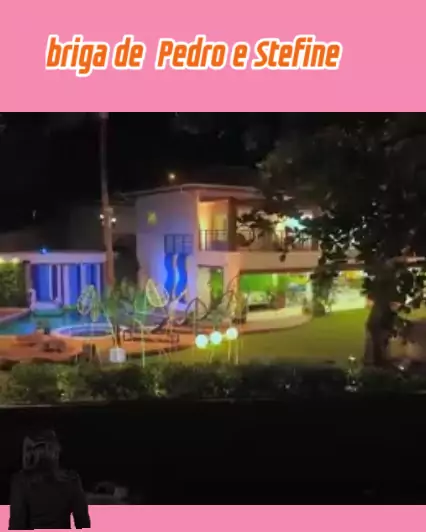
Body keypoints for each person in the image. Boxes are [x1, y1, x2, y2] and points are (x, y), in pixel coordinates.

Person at [9, 429, 91, 530]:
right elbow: (83, 523)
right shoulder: (71, 479)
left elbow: (17, 524)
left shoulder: (21, 481)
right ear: (56, 451)